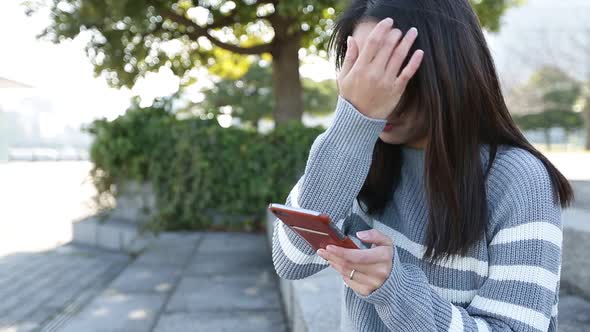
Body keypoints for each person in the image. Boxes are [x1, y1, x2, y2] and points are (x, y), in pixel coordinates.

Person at [270, 0, 573, 331]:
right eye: (362, 67)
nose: (376, 88)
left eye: (391, 66)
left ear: (446, 67)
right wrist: (353, 123)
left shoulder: (518, 180)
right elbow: (292, 259)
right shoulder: (357, 154)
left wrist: (395, 289)